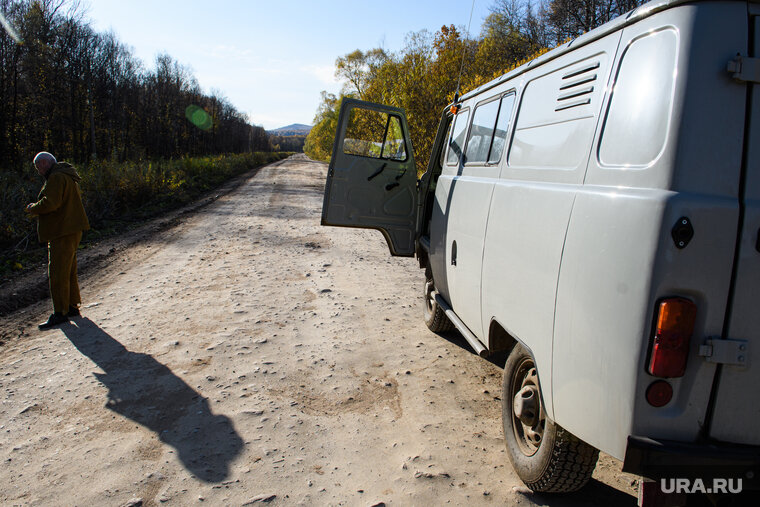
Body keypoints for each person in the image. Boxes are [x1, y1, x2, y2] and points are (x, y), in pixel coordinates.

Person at [24, 152, 90, 330]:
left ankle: (60, 312)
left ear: (45, 163)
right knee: (68, 270)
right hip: (71, 228)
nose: (38, 171)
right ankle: (71, 306)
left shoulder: (56, 177)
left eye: (38, 167)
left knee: (58, 273)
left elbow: (51, 203)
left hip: (62, 231)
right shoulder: (65, 175)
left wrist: (33, 208)